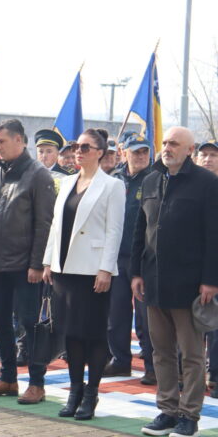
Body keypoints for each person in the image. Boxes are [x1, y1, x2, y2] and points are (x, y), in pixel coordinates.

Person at [132, 127, 218, 437]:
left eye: (174, 144)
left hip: (190, 285)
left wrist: (210, 280)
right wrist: (136, 273)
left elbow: (214, 236)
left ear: (190, 149)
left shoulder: (207, 184)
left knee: (192, 354)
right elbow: (139, 230)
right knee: (161, 352)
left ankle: (189, 416)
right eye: (165, 142)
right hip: (154, 281)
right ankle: (167, 411)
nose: (167, 148)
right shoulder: (151, 179)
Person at [42, 128, 125, 420]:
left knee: (93, 334)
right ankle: (75, 390)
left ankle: (91, 393)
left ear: (100, 152)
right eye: (76, 145)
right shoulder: (66, 182)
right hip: (65, 269)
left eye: (86, 147)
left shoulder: (112, 186)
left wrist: (106, 268)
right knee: (72, 335)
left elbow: (115, 230)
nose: (79, 150)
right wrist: (48, 261)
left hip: (93, 271)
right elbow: (56, 225)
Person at [0, 119, 55, 405]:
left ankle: (37, 383)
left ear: (20, 141)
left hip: (25, 266)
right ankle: (7, 378)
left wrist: (36, 264)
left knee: (30, 324)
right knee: (1, 323)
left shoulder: (38, 175)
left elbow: (44, 224)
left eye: (2, 141)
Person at [105, 134, 155, 385]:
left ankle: (151, 365)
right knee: (116, 313)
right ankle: (121, 361)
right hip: (117, 257)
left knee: (146, 317)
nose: (141, 156)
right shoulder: (115, 179)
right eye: (135, 152)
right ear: (124, 152)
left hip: (144, 259)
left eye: (144, 151)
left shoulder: (156, 180)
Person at [196, 139, 218, 398]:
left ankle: (215, 376)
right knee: (190, 326)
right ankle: (188, 375)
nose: (209, 159)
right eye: (204, 155)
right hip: (192, 266)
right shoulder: (192, 186)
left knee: (215, 326)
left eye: (213, 155)